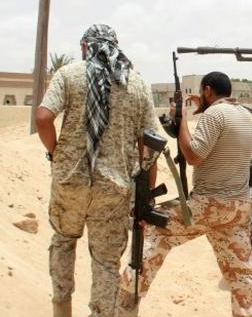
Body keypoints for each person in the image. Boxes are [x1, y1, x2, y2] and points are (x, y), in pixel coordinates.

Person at [35, 24, 160, 317]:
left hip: (70, 182)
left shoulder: (68, 74)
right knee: (105, 262)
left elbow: (43, 118)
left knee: (64, 242)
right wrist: (146, 197)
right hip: (113, 189)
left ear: (85, 46)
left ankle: (61, 309)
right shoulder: (136, 83)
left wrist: (56, 153)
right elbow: (151, 145)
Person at [117, 71, 252, 317]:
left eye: (201, 93)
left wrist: (181, 118)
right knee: (241, 273)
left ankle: (124, 304)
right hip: (239, 208)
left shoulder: (214, 114)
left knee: (153, 227)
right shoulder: (245, 115)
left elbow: (194, 155)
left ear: (207, 90)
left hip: (208, 205)